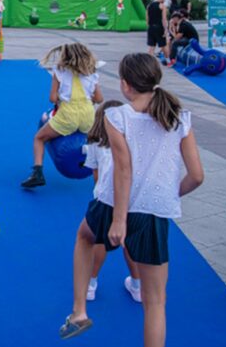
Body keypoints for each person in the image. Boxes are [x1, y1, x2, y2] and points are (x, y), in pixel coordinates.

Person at [59, 53, 204, 344]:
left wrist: (119, 220)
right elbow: (197, 176)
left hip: (113, 204)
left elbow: (123, 169)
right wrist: (167, 193)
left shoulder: (117, 116)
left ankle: (79, 311)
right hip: (154, 211)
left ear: (125, 85)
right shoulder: (180, 118)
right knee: (155, 303)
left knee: (85, 238)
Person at [82, 100, 141, 303]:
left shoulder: (95, 143)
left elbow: (96, 175)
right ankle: (137, 284)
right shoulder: (132, 143)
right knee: (129, 242)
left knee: (99, 241)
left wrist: (100, 193)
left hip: (106, 199)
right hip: (131, 199)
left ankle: (90, 283)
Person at [21, 43, 103, 188]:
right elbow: (99, 99)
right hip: (87, 115)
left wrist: (62, 97)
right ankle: (102, 177)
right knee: (98, 144)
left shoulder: (59, 72)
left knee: (39, 138)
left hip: (68, 115)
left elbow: (52, 98)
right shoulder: (92, 73)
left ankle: (37, 173)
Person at [146, 0, 169, 64]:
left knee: (152, 46)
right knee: (163, 45)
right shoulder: (162, 6)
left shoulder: (149, 6)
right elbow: (164, 19)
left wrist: (148, 26)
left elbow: (147, 17)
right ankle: (168, 60)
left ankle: (149, 62)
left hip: (151, 27)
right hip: (159, 27)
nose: (165, 0)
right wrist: (165, 29)